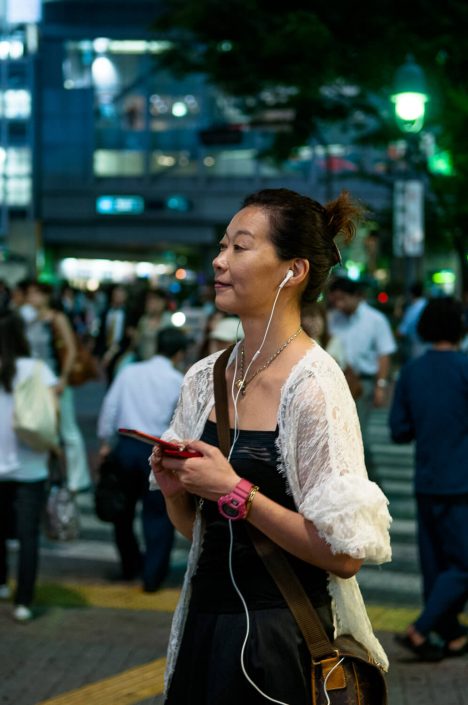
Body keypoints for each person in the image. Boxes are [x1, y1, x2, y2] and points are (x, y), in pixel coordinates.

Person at [149, 188, 392, 704]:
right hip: (203, 628)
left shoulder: (315, 385)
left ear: (293, 269)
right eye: (222, 246)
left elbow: (345, 555)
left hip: (280, 641)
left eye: (240, 247)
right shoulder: (203, 378)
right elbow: (203, 534)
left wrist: (235, 490)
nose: (219, 260)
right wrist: (176, 491)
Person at [389, 296, 468, 661]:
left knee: (435, 564)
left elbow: (399, 430)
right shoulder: (465, 368)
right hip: (462, 483)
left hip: (426, 480)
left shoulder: (412, 371)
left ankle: (450, 633)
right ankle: (420, 629)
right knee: (463, 565)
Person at [97, 327, 190, 591]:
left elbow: (110, 407)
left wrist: (106, 441)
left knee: (122, 512)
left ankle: (129, 566)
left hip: (125, 447)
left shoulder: (130, 371)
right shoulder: (177, 380)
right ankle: (152, 576)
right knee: (158, 515)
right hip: (157, 450)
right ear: (179, 353)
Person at [0, 310, 58, 622]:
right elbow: (54, 412)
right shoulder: (37, 369)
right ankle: (23, 601)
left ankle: (1, 584)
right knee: (27, 536)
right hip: (30, 465)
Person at [24, 281, 91, 494]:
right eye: (30, 294)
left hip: (54, 380)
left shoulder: (56, 318)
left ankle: (78, 479)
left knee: (67, 429)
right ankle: (47, 474)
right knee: (41, 427)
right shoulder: (28, 319)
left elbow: (71, 350)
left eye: (36, 294)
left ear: (45, 296)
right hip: (34, 382)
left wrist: (63, 378)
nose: (32, 298)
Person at [327, 277, 397, 476]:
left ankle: (369, 481)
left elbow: (384, 354)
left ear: (357, 296)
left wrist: (380, 386)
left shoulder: (375, 320)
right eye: (335, 300)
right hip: (335, 384)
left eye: (342, 299)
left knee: (358, 438)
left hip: (362, 384)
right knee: (338, 437)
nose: (339, 304)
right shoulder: (333, 318)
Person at [396, 282, 428, 362]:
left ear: (411, 294)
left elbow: (401, 332)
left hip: (417, 346)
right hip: (431, 346)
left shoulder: (412, 309)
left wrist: (398, 304)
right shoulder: (428, 305)